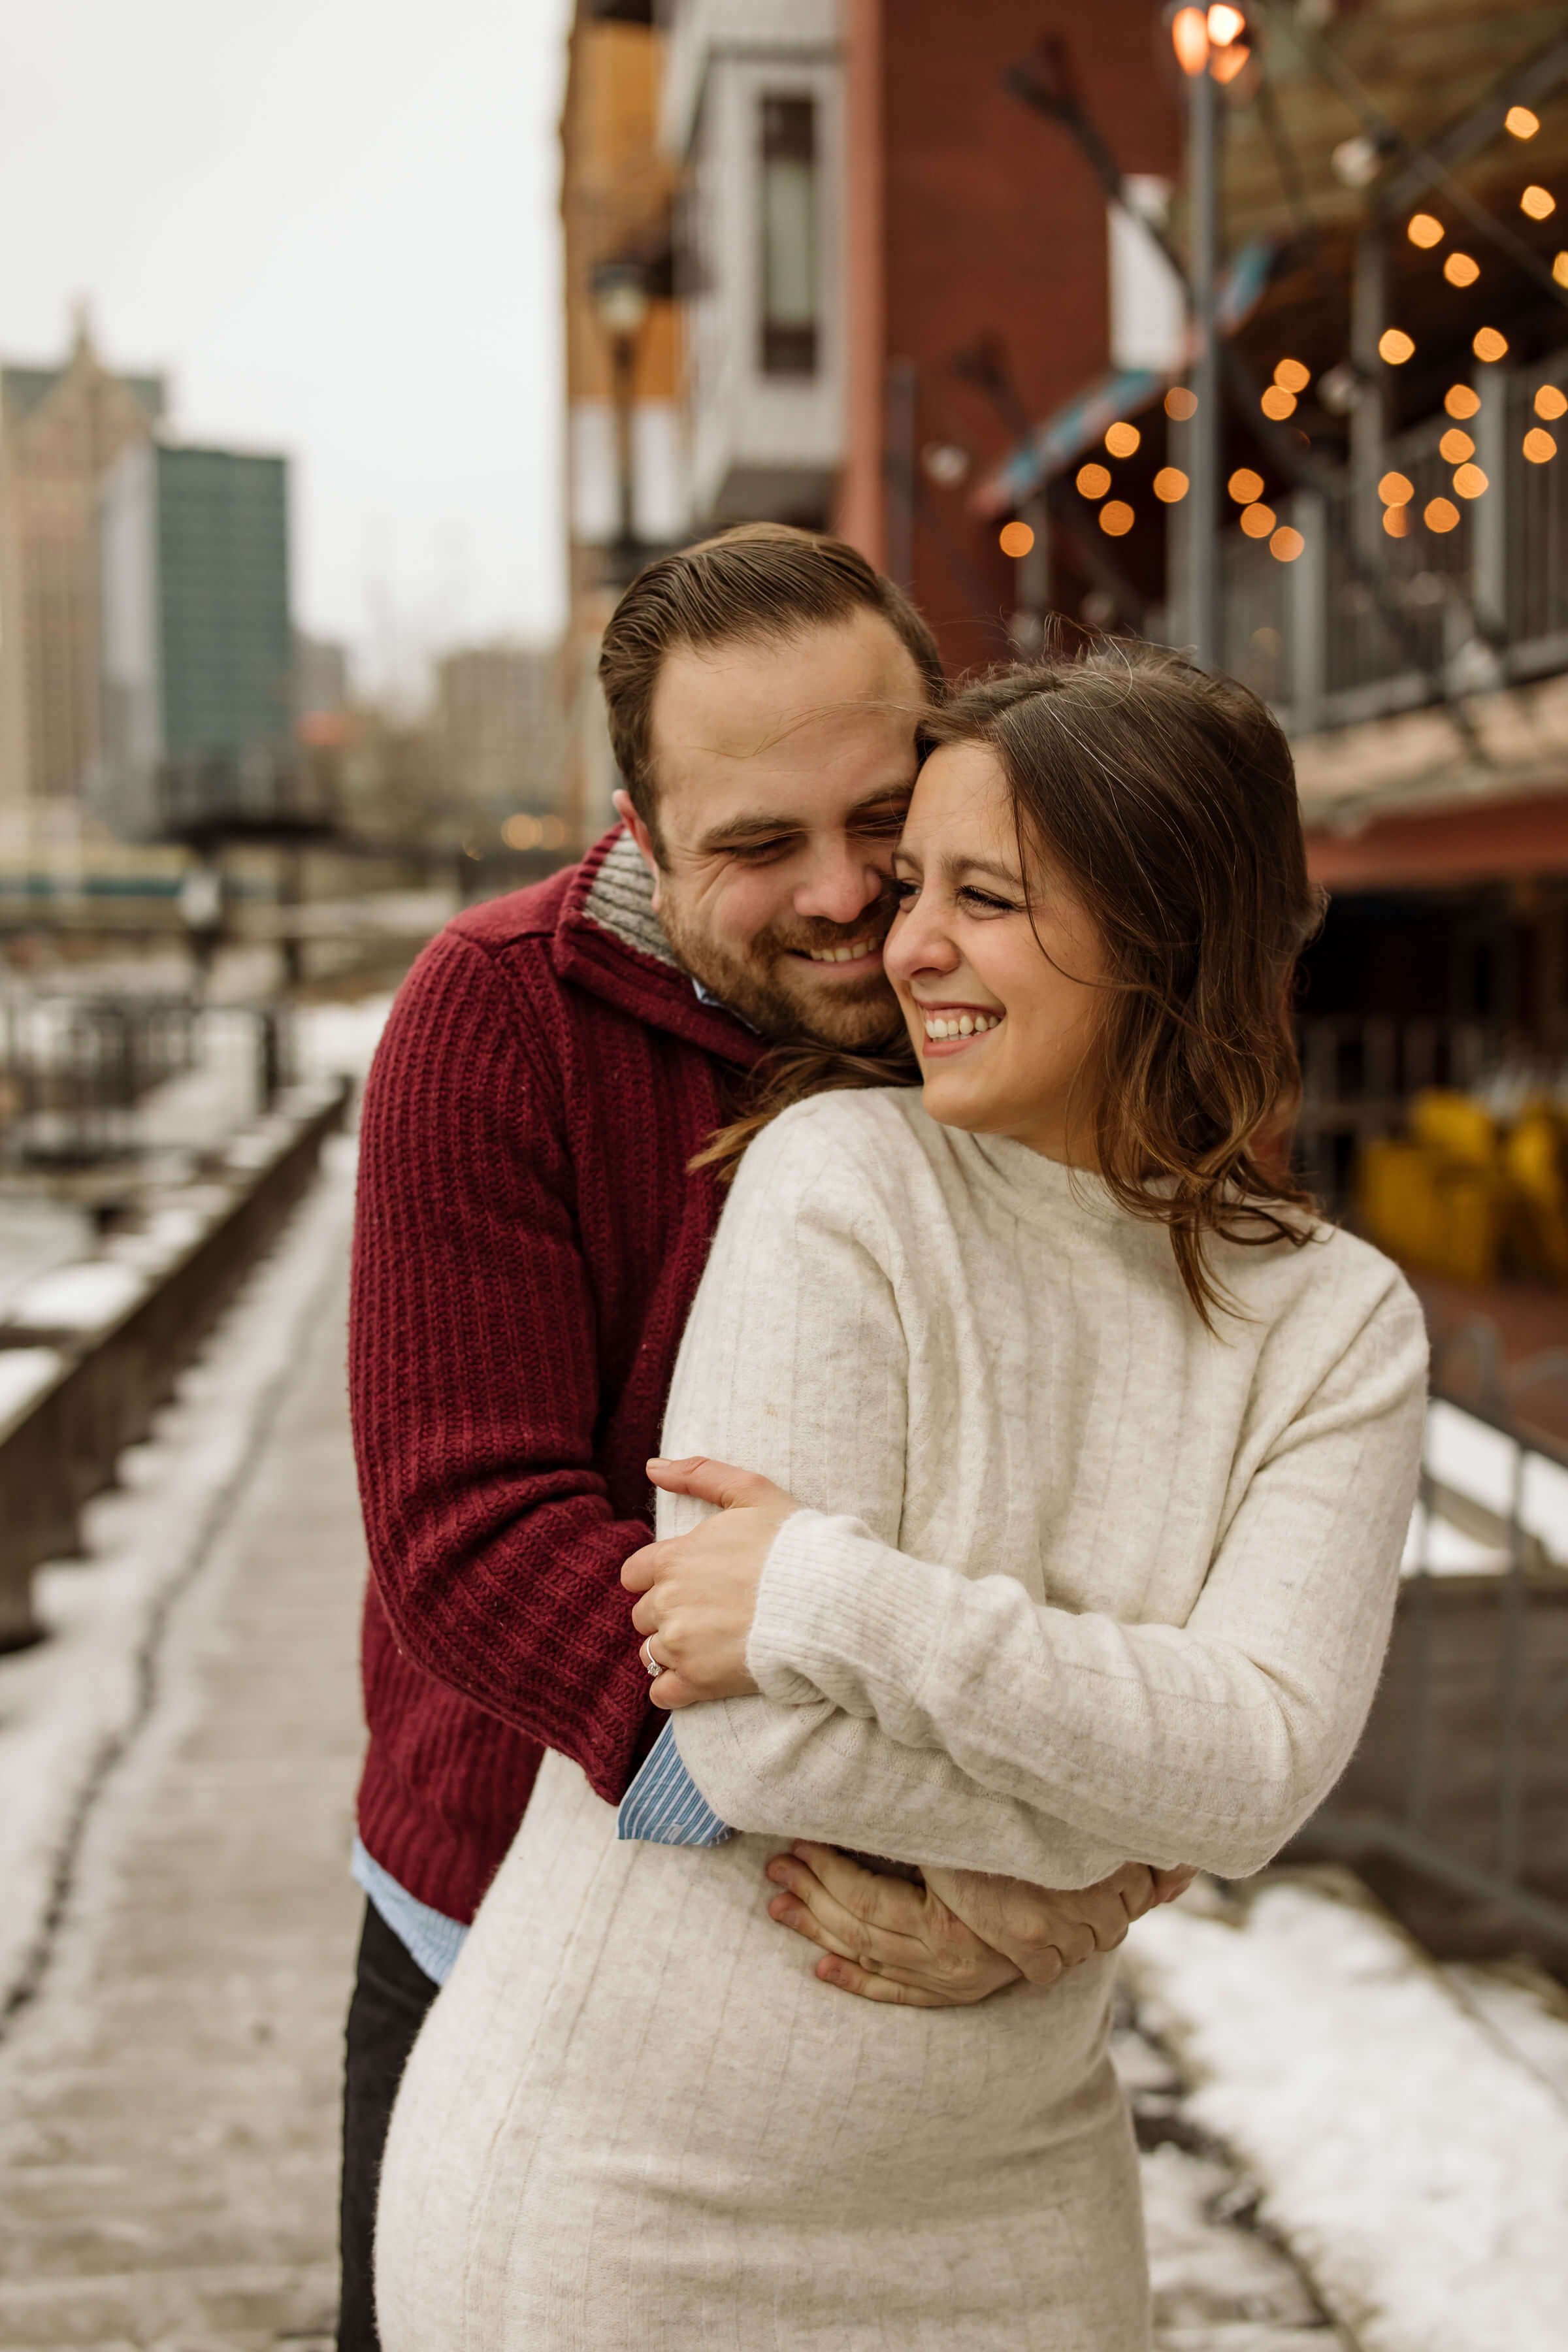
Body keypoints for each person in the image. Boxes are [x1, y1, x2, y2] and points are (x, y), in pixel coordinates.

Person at [373, 642, 1428, 2351]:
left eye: (981, 895)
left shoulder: (1336, 1327)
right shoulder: (833, 1176)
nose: (902, 941)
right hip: (622, 2205)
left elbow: (1253, 1773)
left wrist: (827, 1600)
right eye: (912, 881)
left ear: (1164, 934)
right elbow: (745, 1748)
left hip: (1019, 2221)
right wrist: (1095, 1858)